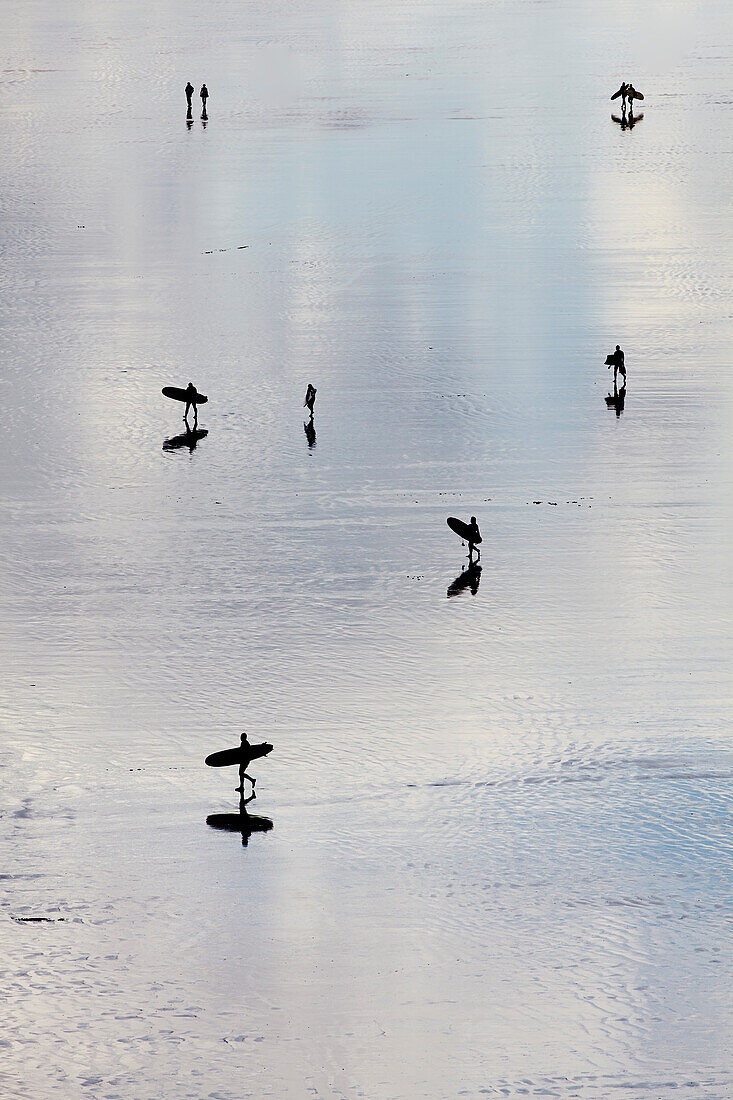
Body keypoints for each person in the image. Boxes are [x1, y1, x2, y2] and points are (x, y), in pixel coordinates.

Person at [236, 732, 255, 797]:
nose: (240, 738)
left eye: (241, 737)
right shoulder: (244, 743)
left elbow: (245, 752)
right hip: (243, 760)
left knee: (241, 773)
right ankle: (241, 787)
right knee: (241, 773)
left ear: (244, 737)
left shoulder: (245, 743)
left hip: (245, 760)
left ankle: (252, 780)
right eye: (240, 737)